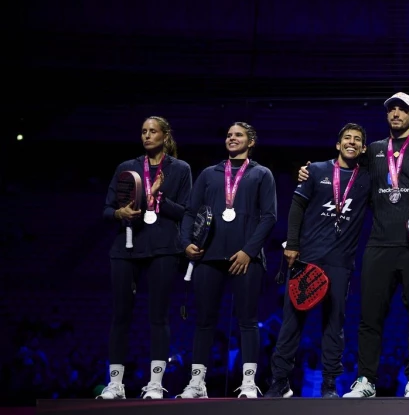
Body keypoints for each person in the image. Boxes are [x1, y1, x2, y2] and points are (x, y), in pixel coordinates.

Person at [342, 93, 409, 398]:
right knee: (370, 317)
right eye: (392, 109)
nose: (396, 113)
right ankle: (366, 380)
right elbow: (344, 170)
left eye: (403, 110)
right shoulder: (373, 150)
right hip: (379, 245)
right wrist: (308, 172)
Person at [265, 123, 371, 398]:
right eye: (346, 138)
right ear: (338, 144)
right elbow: (297, 207)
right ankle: (279, 381)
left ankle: (328, 385)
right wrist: (293, 245)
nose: (351, 142)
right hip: (307, 258)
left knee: (334, 326)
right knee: (291, 323)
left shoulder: (367, 179)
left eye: (357, 139)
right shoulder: (315, 171)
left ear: (363, 148)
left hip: (340, 262)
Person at [178, 122, 278, 398]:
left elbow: (269, 216)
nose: (232, 138)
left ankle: (248, 382)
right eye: (229, 135)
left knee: (247, 320)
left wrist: (249, 251)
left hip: (246, 259)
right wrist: (186, 243)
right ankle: (197, 382)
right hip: (208, 257)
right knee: (204, 321)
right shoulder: (210, 174)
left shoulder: (261, 174)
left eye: (239, 135)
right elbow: (190, 212)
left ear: (251, 141)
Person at [98, 117, 193, 399]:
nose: (147, 136)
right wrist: (119, 214)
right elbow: (106, 210)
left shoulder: (181, 169)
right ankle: (115, 383)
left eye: (153, 131)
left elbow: (186, 211)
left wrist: (157, 197)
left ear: (165, 136)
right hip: (126, 248)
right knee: (120, 316)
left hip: (163, 248)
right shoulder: (126, 167)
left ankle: (155, 383)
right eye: (143, 131)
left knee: (158, 317)